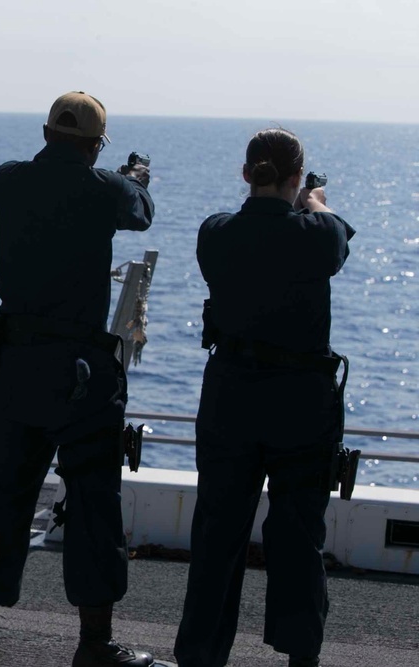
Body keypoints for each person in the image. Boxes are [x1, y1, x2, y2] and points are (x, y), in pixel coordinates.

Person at [0, 92, 156, 666]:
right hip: (81, 373)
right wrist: (133, 176)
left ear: (46, 133)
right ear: (96, 145)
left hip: (18, 364)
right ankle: (94, 643)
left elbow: (53, 183)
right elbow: (140, 211)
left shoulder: (7, 180)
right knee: (94, 505)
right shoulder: (106, 189)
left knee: (1, 499)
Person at [173, 128, 354, 667]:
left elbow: (250, 234)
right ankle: (300, 656)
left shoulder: (215, 232)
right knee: (298, 535)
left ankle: (201, 656)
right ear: (296, 177)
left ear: (246, 173)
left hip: (230, 396)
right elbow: (333, 236)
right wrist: (313, 201)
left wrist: (293, 202)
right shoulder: (317, 232)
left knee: (217, 534)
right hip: (300, 403)